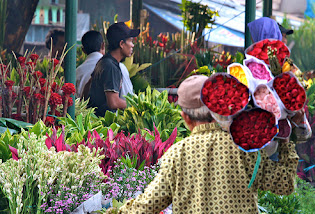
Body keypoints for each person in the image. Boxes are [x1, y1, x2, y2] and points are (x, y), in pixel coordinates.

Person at [106, 75, 299, 214]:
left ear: (185, 117)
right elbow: (285, 184)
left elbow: (147, 205)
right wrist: (285, 140)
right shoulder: (244, 148)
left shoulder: (177, 154)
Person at [87, 22, 139, 117]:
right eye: (131, 41)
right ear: (121, 44)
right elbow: (113, 103)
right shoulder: (110, 66)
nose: (132, 45)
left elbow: (87, 88)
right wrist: (137, 105)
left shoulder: (104, 61)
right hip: (102, 124)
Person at [76, 30, 105, 98]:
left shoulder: (78, 71)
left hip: (83, 108)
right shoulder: (117, 66)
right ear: (103, 45)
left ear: (83, 50)